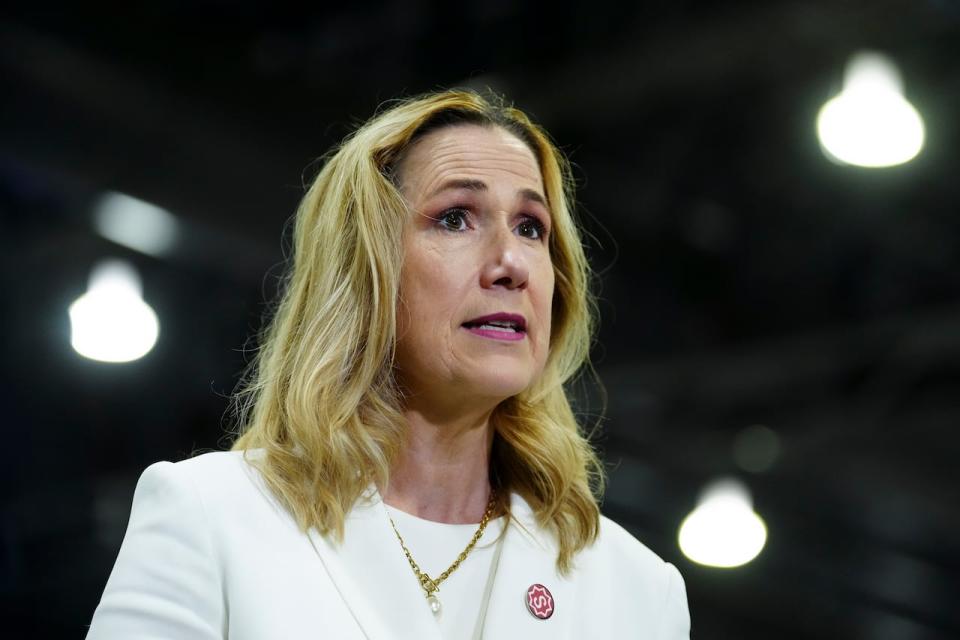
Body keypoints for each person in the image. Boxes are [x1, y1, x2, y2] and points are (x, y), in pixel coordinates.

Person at [86, 89, 691, 639]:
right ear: (364, 269)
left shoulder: (636, 591)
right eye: (455, 217)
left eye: (531, 227)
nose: (511, 261)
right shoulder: (211, 515)